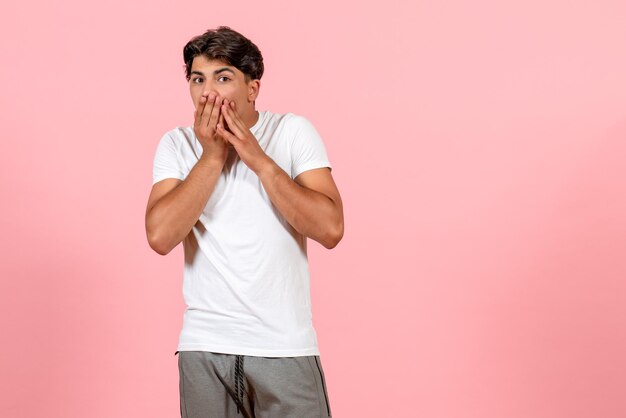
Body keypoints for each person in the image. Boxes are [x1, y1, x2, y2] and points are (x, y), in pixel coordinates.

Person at [145, 26, 343, 418]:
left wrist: (256, 158)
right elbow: (160, 236)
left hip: (283, 346)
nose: (208, 92)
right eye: (198, 79)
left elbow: (330, 228)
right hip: (205, 347)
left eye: (223, 77)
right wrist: (213, 157)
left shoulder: (291, 132)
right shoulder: (177, 145)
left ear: (252, 88)